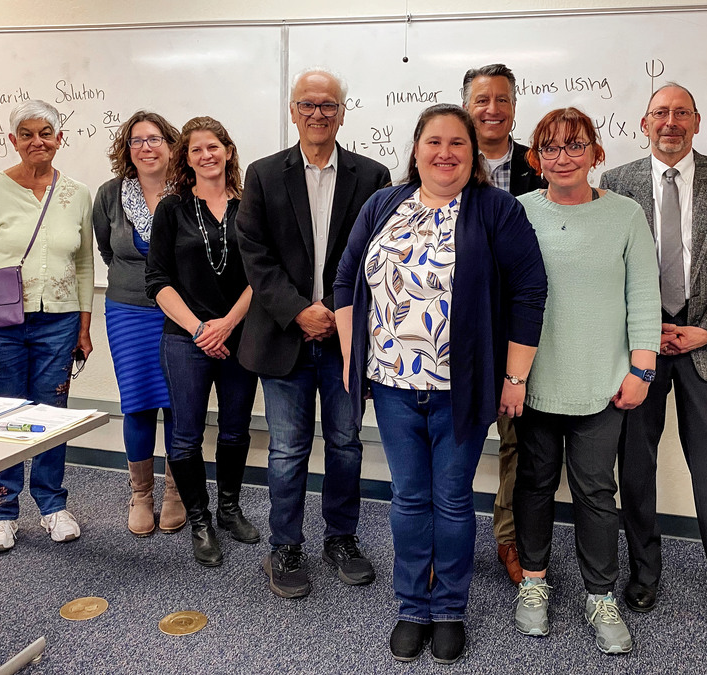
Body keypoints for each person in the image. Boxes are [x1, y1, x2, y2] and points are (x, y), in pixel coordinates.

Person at [335, 103, 547, 664]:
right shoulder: (383, 204)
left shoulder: (496, 209)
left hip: (464, 388)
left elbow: (529, 292)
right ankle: (412, 606)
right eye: (434, 141)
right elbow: (345, 282)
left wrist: (516, 377)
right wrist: (351, 361)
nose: (445, 152)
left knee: (451, 501)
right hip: (392, 385)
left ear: (473, 153)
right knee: (407, 499)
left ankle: (449, 607)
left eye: (458, 142)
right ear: (416, 148)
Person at [600, 83, 707, 631]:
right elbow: (611, 270)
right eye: (660, 114)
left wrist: (706, 330)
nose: (670, 122)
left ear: (697, 122)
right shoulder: (615, 183)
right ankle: (644, 575)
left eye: (681, 113)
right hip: (639, 348)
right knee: (637, 466)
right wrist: (644, 332)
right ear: (644, 124)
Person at [235, 68, 390, 600]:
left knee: (346, 444)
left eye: (328, 105)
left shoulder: (372, 176)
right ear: (293, 110)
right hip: (285, 333)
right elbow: (255, 254)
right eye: (308, 105)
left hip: (345, 337)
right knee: (287, 449)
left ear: (342, 112)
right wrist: (301, 310)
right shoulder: (261, 174)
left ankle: (341, 539)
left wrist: (335, 313)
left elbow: (377, 259)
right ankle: (285, 545)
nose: (318, 114)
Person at [512, 107, 660, 654]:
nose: (563, 157)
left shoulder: (625, 215)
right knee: (533, 485)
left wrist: (642, 368)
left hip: (604, 382)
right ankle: (533, 583)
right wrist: (511, 377)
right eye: (550, 147)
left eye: (575, 145)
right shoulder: (518, 212)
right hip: (533, 381)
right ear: (536, 159)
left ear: (596, 153)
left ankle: (600, 595)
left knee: (596, 492)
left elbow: (642, 296)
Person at [0, 99, 94, 554]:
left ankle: (53, 506)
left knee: (51, 417)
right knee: (4, 416)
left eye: (46, 133)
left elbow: (84, 266)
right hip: (2, 326)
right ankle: (3, 513)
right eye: (28, 134)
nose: (38, 141)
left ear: (59, 139)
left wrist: (84, 325)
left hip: (59, 320)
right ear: (13, 141)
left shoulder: (76, 193)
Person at [145, 116, 260, 568]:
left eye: (214, 147)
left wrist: (228, 323)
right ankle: (199, 519)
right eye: (196, 150)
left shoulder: (251, 206)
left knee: (235, 429)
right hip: (184, 339)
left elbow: (263, 274)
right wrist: (199, 329)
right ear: (186, 159)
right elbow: (157, 280)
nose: (206, 155)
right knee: (186, 434)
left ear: (228, 151)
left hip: (240, 336)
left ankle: (229, 508)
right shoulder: (171, 209)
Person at [462, 63, 547, 585]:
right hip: (461, 332)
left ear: (514, 106)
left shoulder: (542, 165)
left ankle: (508, 538)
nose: (492, 109)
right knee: (457, 442)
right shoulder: (446, 164)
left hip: (519, 330)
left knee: (520, 443)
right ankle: (448, 542)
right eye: (482, 99)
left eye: (502, 99)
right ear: (466, 105)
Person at [93, 110, 186, 537]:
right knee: (138, 402)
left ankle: (177, 493)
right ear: (127, 150)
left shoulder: (189, 192)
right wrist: (137, 283)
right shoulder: (110, 195)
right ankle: (142, 494)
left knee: (179, 404)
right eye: (136, 141)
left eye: (154, 139)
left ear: (171, 146)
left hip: (182, 312)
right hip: (128, 311)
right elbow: (107, 250)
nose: (146, 148)